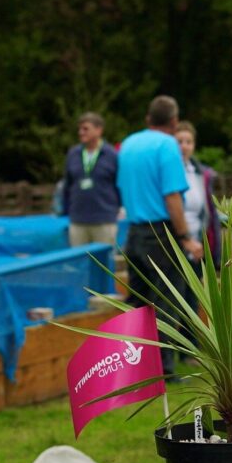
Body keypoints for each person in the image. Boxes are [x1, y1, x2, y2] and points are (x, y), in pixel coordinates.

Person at [117, 96, 203, 377]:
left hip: (133, 232)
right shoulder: (167, 145)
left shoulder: (128, 144)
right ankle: (165, 370)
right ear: (174, 122)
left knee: (138, 302)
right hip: (160, 234)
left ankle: (134, 364)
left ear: (148, 119)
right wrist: (186, 236)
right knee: (166, 301)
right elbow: (172, 196)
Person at [173, 121, 222, 328]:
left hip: (198, 241)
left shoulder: (202, 173)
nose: (184, 146)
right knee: (175, 294)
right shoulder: (170, 170)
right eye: (180, 141)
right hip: (175, 239)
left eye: (188, 141)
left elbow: (209, 211)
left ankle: (189, 347)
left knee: (193, 295)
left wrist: (209, 244)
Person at [62, 112, 121, 246]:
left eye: (86, 129)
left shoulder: (111, 154)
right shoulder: (73, 154)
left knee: (104, 263)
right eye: (79, 129)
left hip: (104, 220)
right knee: (79, 263)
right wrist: (66, 211)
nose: (81, 132)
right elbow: (67, 186)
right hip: (78, 221)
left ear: (99, 130)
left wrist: (119, 208)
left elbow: (119, 184)